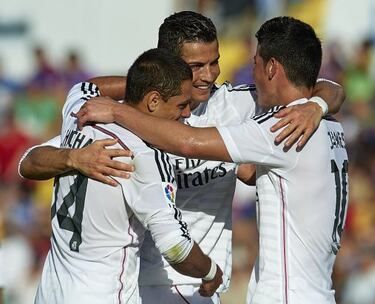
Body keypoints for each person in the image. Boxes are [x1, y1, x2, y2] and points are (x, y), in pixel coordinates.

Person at [19, 11, 345, 303]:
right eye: (195, 67)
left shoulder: (239, 105)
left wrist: (316, 107)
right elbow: (30, 161)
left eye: (214, 62)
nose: (208, 75)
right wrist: (73, 158)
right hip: (141, 279)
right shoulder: (121, 124)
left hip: (193, 285)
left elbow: (319, 86)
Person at [33, 48, 223, 304]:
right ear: (154, 101)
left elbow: (86, 86)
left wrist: (70, 157)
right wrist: (210, 271)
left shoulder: (79, 113)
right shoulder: (144, 157)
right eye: (182, 104)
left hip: (50, 293)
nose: (187, 113)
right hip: (104, 295)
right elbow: (176, 248)